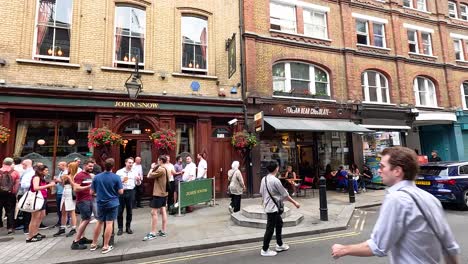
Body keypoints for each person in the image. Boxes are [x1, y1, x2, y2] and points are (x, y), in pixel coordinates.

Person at [331, 146, 460, 263]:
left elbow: (378, 246)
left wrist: (343, 249)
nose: (379, 171)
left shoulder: (396, 199)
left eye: (382, 166)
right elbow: (450, 248)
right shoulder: (430, 199)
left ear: (397, 171)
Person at [259, 160, 300, 257]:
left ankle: (279, 244)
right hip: (273, 208)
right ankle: (265, 249)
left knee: (279, 223)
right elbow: (285, 195)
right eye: (278, 167)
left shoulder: (263, 179)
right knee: (270, 229)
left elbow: (261, 192)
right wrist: (295, 203)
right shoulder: (275, 180)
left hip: (269, 206)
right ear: (276, 168)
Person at [90, 158, 123, 254]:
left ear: (104, 166)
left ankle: (93, 244)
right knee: (109, 223)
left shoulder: (97, 177)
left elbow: (91, 192)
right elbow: (120, 192)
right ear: (113, 167)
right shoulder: (116, 177)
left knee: (99, 222)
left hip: (100, 202)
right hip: (113, 203)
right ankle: (105, 246)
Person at [26, 165, 55, 242]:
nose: (47, 172)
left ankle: (35, 232)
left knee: (42, 215)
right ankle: (30, 236)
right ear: (40, 171)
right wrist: (48, 185)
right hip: (37, 198)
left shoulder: (42, 178)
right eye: (45, 170)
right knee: (34, 217)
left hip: (42, 198)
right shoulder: (36, 177)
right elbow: (35, 188)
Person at [70, 160, 95, 250]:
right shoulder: (80, 175)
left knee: (84, 219)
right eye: (89, 166)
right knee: (86, 219)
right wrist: (88, 187)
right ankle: (75, 242)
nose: (91, 168)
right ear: (84, 165)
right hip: (83, 200)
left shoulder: (88, 175)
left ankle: (81, 238)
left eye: (92, 166)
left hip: (88, 199)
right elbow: (76, 189)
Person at [144, 155, 169, 240]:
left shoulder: (161, 169)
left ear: (161, 161)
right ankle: (163, 231)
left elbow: (149, 176)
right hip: (164, 193)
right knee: (163, 211)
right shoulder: (167, 167)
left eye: (158, 160)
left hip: (158, 194)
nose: (157, 161)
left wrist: (151, 168)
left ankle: (153, 233)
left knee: (153, 212)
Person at [53, 161, 78, 237]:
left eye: (69, 167)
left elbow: (75, 185)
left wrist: (68, 178)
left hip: (70, 192)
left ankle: (73, 228)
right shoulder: (67, 174)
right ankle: (62, 227)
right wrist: (62, 180)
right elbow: (63, 184)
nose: (68, 168)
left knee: (71, 211)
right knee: (63, 210)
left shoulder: (75, 175)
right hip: (65, 191)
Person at [116, 157, 138, 235]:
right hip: (121, 192)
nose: (131, 164)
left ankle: (128, 227)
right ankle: (120, 228)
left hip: (131, 191)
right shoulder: (119, 172)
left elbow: (137, 184)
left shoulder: (134, 172)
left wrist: (138, 180)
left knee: (130, 211)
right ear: (125, 163)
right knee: (120, 211)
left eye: (132, 163)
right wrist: (121, 181)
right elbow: (115, 184)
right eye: (129, 162)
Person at [0, 157, 20, 235]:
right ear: (12, 163)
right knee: (10, 211)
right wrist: (14, 192)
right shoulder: (15, 172)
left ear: (3, 163)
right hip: (10, 194)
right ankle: (10, 228)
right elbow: (17, 185)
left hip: (0, 193)